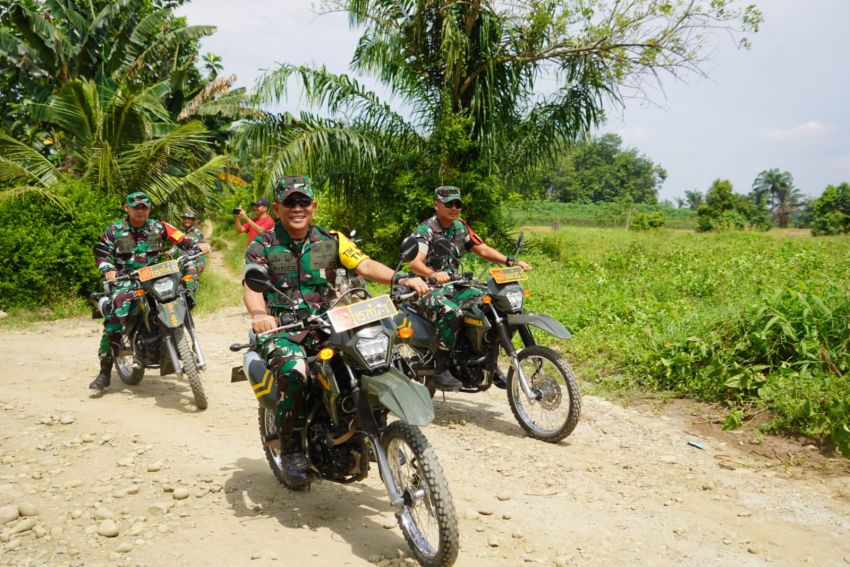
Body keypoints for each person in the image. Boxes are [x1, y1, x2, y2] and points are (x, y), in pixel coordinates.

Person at [243, 175, 428, 485]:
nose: (297, 208)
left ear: (313, 206)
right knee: (295, 372)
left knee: (376, 358)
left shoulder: (332, 240)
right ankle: (291, 452)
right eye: (289, 202)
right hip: (285, 328)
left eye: (303, 202)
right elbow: (252, 285)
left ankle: (370, 426)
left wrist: (400, 279)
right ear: (277, 208)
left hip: (331, 322)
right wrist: (260, 313)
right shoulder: (263, 244)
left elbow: (365, 265)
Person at [406, 185, 531, 391]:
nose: (454, 208)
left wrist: (510, 261)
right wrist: (432, 274)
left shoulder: (460, 228)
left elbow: (481, 248)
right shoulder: (426, 230)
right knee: (451, 311)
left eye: (458, 204)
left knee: (490, 303)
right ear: (436, 205)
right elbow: (414, 262)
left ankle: (488, 362)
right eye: (449, 204)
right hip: (425, 288)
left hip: (454, 286)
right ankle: (441, 368)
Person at [90, 192, 212, 391]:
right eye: (136, 207)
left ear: (149, 209)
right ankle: (104, 371)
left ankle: (185, 348)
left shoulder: (160, 227)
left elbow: (182, 239)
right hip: (126, 281)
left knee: (183, 296)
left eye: (144, 207)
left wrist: (198, 244)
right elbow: (103, 252)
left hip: (155, 277)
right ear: (126, 208)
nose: (140, 211)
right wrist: (108, 269)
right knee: (115, 318)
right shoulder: (115, 230)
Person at [179, 210, 206, 297]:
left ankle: (191, 301)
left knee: (190, 281)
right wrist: (170, 251)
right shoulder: (181, 232)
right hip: (183, 261)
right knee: (181, 282)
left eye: (189, 219)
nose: (187, 220)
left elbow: (200, 245)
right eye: (185, 218)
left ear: (193, 221)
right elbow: (176, 244)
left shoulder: (197, 232)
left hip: (194, 261)